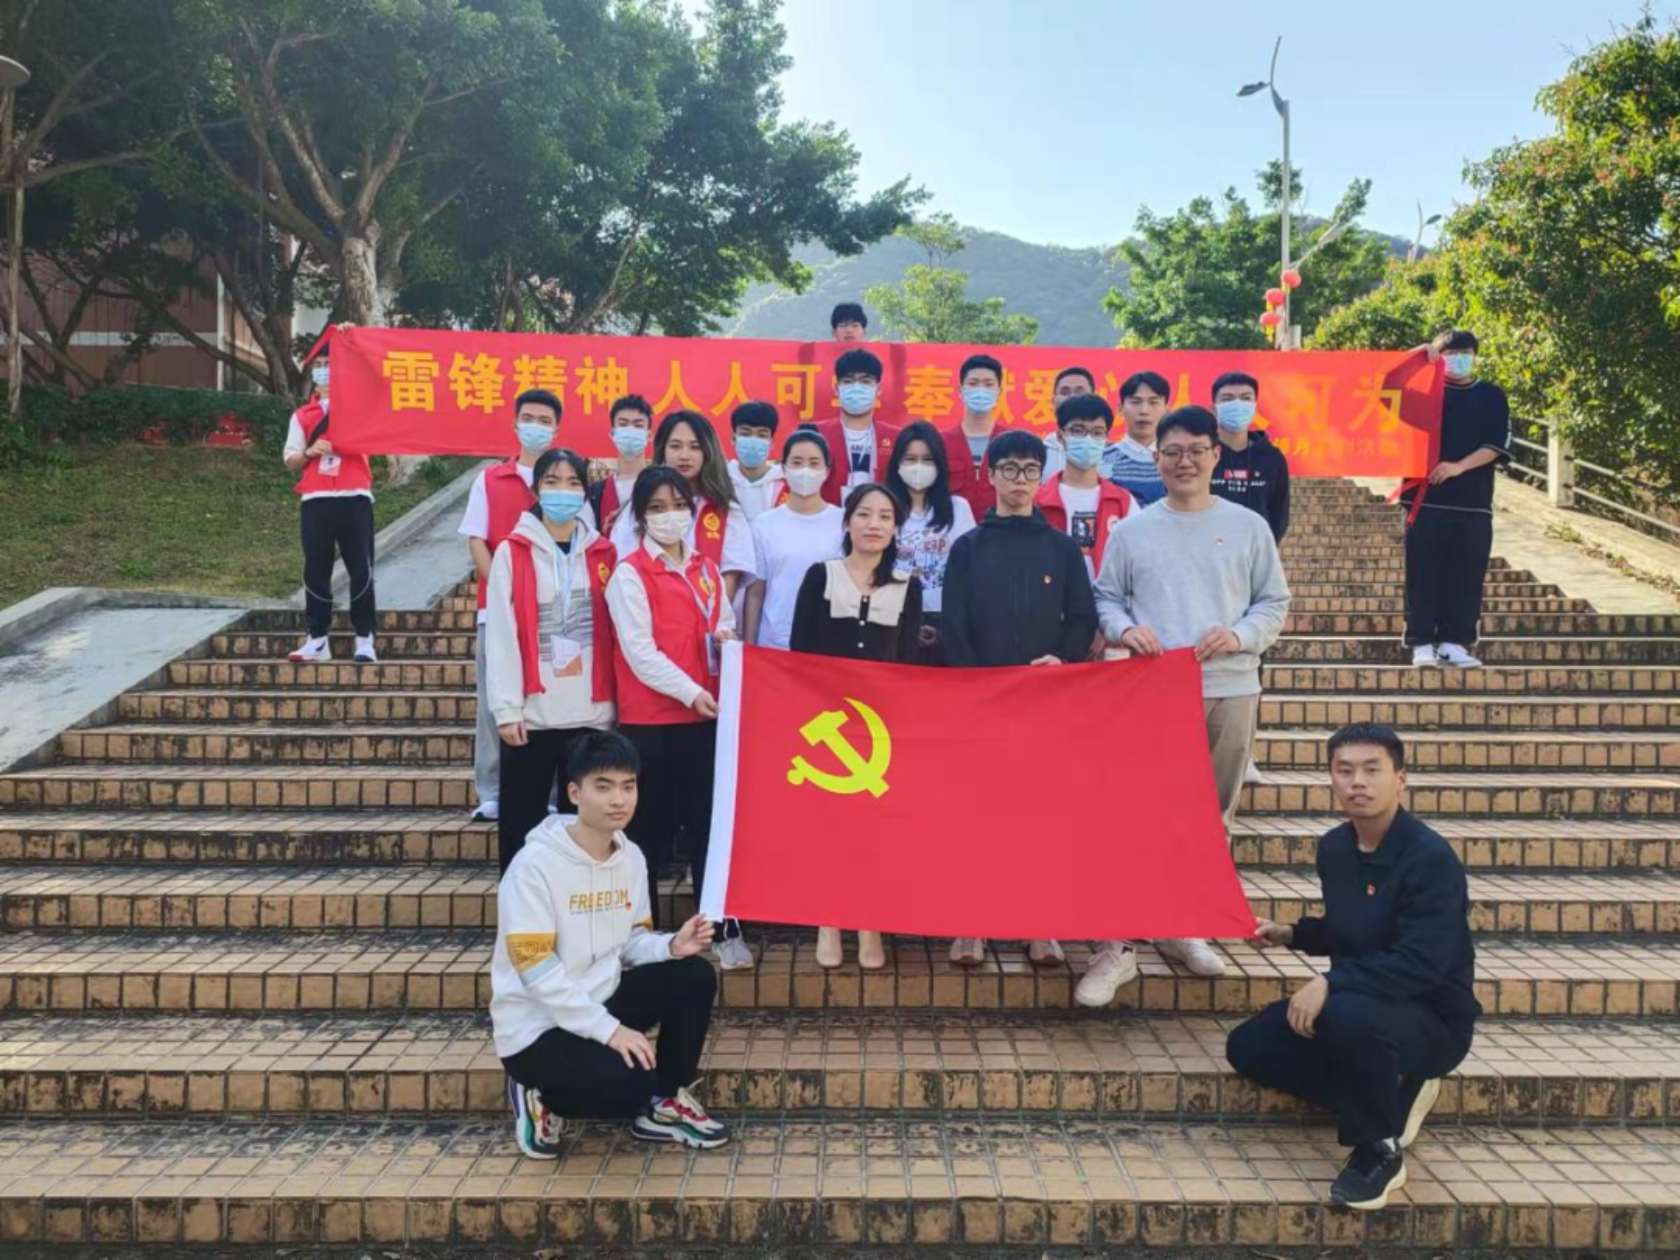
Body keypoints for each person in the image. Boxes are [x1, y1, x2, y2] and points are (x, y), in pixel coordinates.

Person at [1228, 723, 1479, 1211]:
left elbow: (1422, 963)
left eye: (1371, 770)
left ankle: (1379, 1150)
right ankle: (1396, 1094)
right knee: (1249, 1046)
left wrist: (1330, 981)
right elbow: (1353, 928)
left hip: (1431, 1018)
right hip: (1360, 1004)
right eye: (1345, 771)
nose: (1357, 782)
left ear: (1400, 779)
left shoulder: (1430, 859)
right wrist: (1293, 934)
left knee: (1344, 1013)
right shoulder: (1336, 848)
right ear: (1332, 779)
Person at [1091, 406, 1291, 991]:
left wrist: (1241, 635)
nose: (1185, 462)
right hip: (1153, 692)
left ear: (1215, 456)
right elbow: (1106, 599)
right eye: (1173, 452)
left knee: (1211, 817)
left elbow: (1273, 603)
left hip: (1230, 687)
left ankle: (1185, 926)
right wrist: (1126, 629)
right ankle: (1123, 937)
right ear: (1157, 458)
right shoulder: (1133, 530)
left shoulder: (1248, 527)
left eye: (1196, 450)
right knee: (1142, 815)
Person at [494, 730, 731, 1154]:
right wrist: (611, 1031)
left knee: (694, 975)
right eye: (603, 787)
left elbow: (630, 942)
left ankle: (665, 1102)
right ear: (575, 793)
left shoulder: (631, 857)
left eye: (628, 786)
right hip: (538, 1028)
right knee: (631, 1084)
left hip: (601, 999)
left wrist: (670, 947)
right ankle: (536, 1092)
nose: (618, 800)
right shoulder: (533, 867)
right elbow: (538, 973)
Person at [942, 429, 1097, 968]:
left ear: (1041, 476)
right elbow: (954, 623)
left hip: (1044, 703)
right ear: (990, 475)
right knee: (975, 816)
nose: (1019, 480)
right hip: (980, 703)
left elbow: (1082, 617)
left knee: (1040, 815)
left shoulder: (1061, 548)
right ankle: (971, 922)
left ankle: (1039, 922)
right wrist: (974, 684)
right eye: (1008, 468)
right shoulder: (968, 548)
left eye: (1030, 469)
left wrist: (1062, 659)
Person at [605, 466, 752, 972]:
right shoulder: (629, 574)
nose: (671, 515)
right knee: (645, 834)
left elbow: (724, 621)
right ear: (641, 517)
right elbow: (640, 652)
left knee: (711, 828)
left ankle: (723, 927)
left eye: (679, 505)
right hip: (651, 723)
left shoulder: (706, 569)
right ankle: (639, 937)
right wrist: (691, 692)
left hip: (705, 721)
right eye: (657, 508)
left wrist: (726, 640)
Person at [789, 483, 922, 972]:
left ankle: (869, 921)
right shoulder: (820, 576)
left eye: (885, 516)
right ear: (846, 522)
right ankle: (828, 921)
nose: (874, 524)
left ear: (895, 528)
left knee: (874, 830)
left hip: (881, 730)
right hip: (826, 724)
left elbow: (908, 662)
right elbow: (799, 652)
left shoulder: (907, 585)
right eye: (864, 514)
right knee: (828, 828)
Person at [484, 447, 618, 875]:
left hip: (592, 714)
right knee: (522, 825)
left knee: (588, 826)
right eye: (553, 481)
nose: (564, 491)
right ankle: (521, 908)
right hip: (533, 717)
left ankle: (583, 907)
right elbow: (501, 634)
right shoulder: (513, 552)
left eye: (574, 482)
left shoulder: (603, 553)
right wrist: (507, 709)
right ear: (536, 489)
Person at [460, 389, 585, 823]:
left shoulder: (567, 481)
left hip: (554, 618)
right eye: (528, 418)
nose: (536, 426)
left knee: (550, 702)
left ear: (557, 428)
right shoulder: (491, 479)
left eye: (545, 420)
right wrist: (506, 594)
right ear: (515, 424)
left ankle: (547, 791)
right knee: (494, 700)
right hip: (495, 612)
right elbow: (477, 540)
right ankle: (491, 788)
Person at [1400, 330, 1510, 668]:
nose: (1458, 359)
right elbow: (1385, 389)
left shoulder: (1491, 395)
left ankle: (1453, 642)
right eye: (1450, 353)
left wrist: (1458, 467)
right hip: (1425, 500)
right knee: (1422, 573)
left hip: (1473, 503)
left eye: (1465, 352)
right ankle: (1421, 643)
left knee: (1466, 574)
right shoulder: (1424, 393)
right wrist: (1414, 358)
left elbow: (1496, 445)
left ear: (1474, 356)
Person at [283, 340, 378, 664]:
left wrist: (352, 340)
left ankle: (365, 639)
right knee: (316, 568)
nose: (324, 370)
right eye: (319, 365)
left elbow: (373, 378)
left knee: (360, 569)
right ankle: (317, 639)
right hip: (316, 498)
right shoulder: (302, 415)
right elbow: (291, 459)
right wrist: (310, 452)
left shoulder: (359, 407)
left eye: (330, 364)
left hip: (355, 496)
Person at [610, 410, 756, 606]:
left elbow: (732, 573)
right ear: (663, 450)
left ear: (707, 451)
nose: (684, 456)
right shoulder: (638, 506)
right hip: (649, 613)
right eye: (675, 446)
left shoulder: (726, 509)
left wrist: (712, 616)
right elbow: (624, 564)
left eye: (695, 447)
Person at [743, 430, 844, 650]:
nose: (805, 470)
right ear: (783, 469)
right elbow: (755, 594)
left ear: (826, 471)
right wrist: (749, 648)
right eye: (797, 463)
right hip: (775, 643)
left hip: (827, 642)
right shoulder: (763, 525)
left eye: (814, 463)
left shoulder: (844, 523)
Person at [886, 421, 976, 664]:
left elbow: (970, 572)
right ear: (897, 464)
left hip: (945, 622)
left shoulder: (958, 508)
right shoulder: (883, 508)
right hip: (892, 618)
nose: (918, 467)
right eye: (910, 459)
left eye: (927, 460)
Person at [1035, 393, 1134, 584]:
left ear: (1106, 439)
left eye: (1097, 432)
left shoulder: (1124, 502)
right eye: (1078, 431)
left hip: (1108, 600)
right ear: (1060, 436)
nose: (1088, 439)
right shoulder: (1037, 501)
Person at [1208, 371, 1291, 542]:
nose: (1237, 405)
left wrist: (1264, 549)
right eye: (1228, 399)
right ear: (1214, 409)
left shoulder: (1272, 458)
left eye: (1245, 398)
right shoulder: (1202, 455)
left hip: (1255, 552)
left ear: (1254, 408)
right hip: (1208, 552)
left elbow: (1279, 514)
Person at [815, 348, 900, 505]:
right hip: (828, 516)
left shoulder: (896, 438)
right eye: (848, 381)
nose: (857, 388)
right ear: (836, 388)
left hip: (879, 517)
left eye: (865, 381)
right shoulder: (815, 434)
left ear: (879, 389)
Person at [941, 353, 1010, 518]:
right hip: (953, 531)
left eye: (988, 384)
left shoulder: (1012, 442)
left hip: (1002, 530)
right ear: (960, 391)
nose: (981, 390)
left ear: (999, 392)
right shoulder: (940, 443)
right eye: (973, 383)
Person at [1101, 371, 1170, 506]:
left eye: (1153, 402)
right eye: (1135, 402)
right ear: (1120, 409)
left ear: (1166, 410)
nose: (1144, 411)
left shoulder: (1177, 460)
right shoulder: (1102, 459)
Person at [588, 393, 654, 528]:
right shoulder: (595, 493)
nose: (630, 430)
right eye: (623, 424)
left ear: (649, 435)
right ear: (612, 434)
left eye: (638, 425)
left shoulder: (662, 486)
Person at [726, 400, 786, 521]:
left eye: (762, 435)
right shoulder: (721, 479)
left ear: (772, 442)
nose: (753, 441)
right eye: (745, 434)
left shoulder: (784, 482)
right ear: (733, 438)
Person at [1042, 366, 1098, 478]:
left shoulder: (1104, 451)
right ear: (1053, 401)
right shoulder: (1039, 452)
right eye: (1064, 392)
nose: (1072, 398)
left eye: (1079, 392)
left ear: (1094, 399)